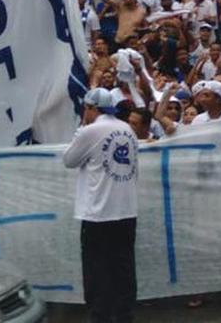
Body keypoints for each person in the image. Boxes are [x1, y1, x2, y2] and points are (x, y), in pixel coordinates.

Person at [63, 87, 139, 323]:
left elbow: (69, 160)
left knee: (98, 270)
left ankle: (101, 316)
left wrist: (81, 130)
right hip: (126, 210)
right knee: (124, 267)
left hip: (99, 213)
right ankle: (124, 315)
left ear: (91, 108)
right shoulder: (127, 128)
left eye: (85, 109)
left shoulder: (90, 131)